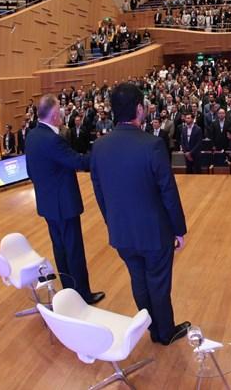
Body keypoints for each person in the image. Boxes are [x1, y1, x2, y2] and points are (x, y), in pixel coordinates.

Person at [90, 83, 190, 345]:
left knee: (139, 279)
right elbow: (168, 191)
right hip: (154, 233)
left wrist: (113, 224)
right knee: (158, 282)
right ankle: (164, 332)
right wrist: (179, 229)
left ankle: (151, 327)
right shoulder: (153, 145)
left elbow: (100, 194)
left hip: (122, 232)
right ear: (139, 109)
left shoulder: (99, 146)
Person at [25, 94, 104, 305]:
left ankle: (69, 291)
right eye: (59, 109)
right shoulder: (53, 139)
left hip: (48, 204)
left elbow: (31, 171)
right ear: (53, 115)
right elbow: (76, 161)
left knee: (60, 250)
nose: (61, 113)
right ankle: (82, 296)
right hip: (64, 205)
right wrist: (101, 153)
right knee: (74, 251)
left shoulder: (32, 135)